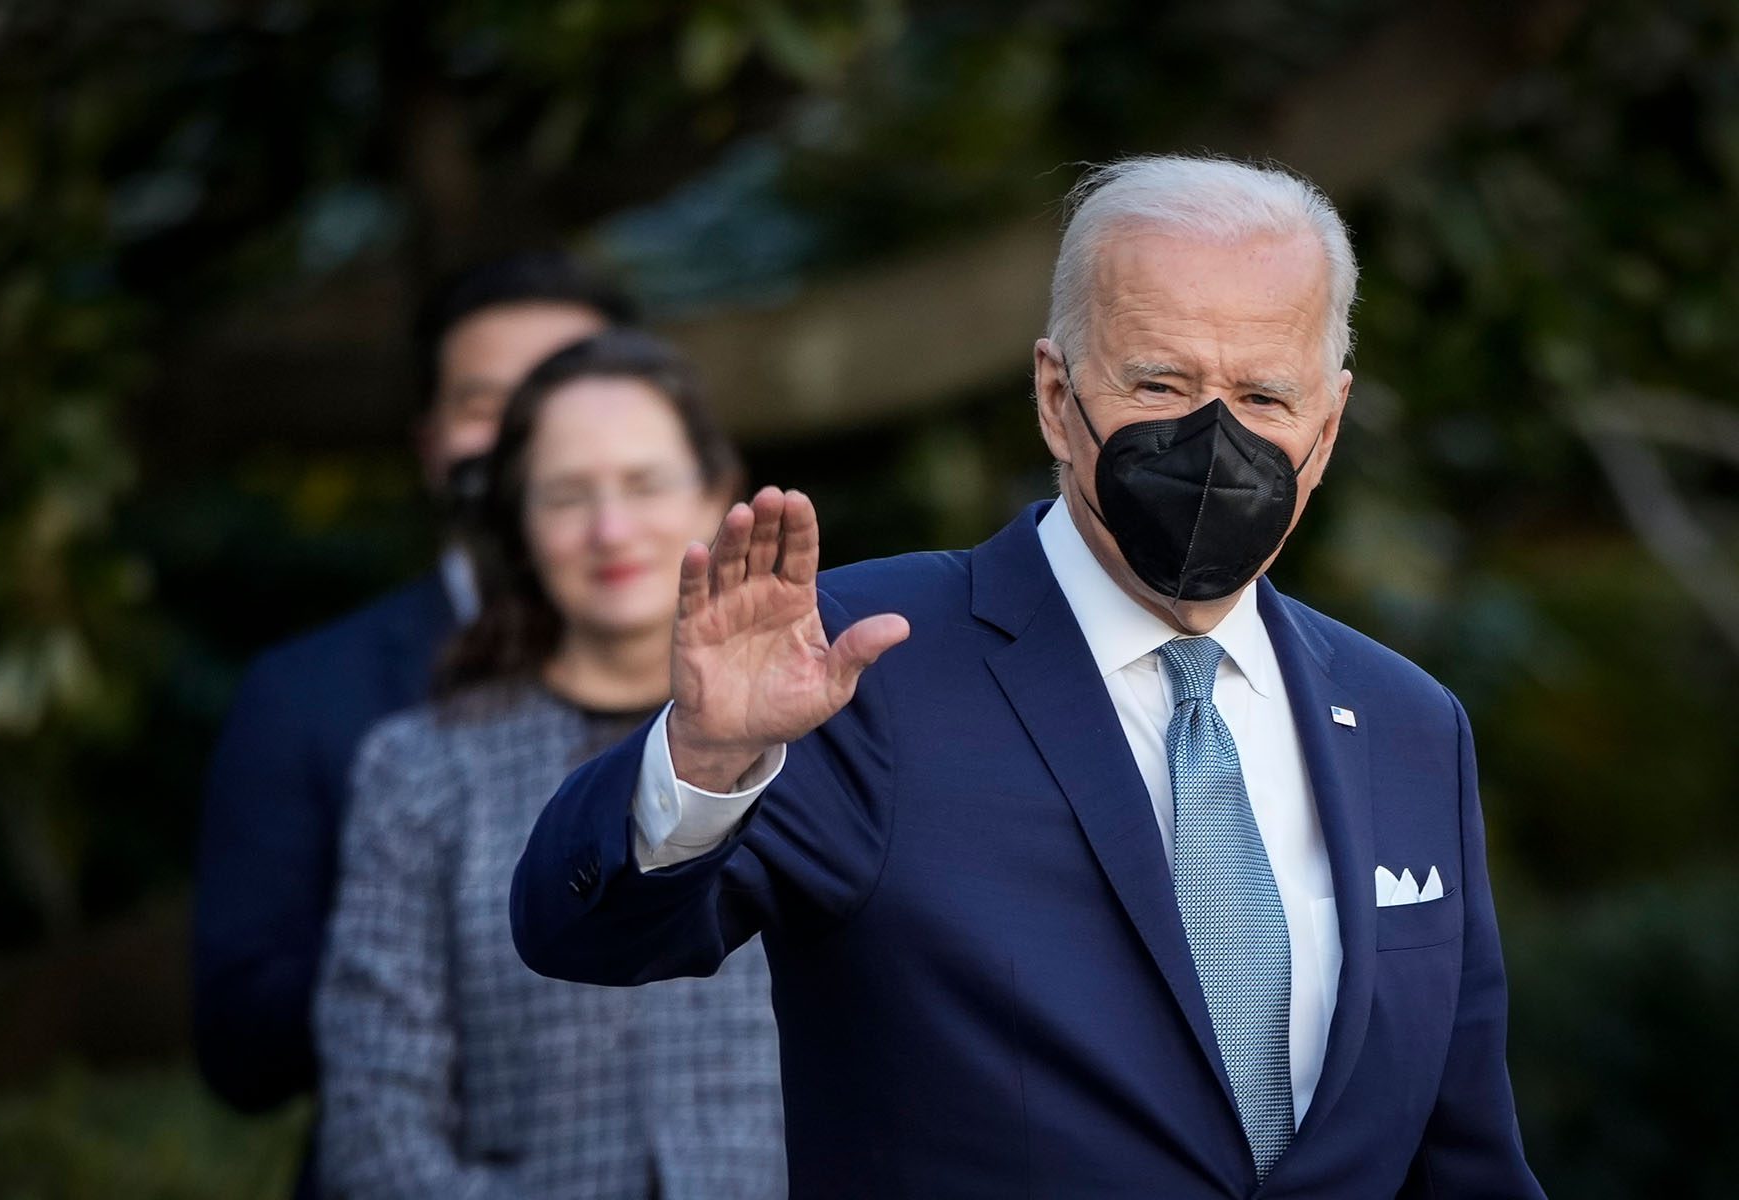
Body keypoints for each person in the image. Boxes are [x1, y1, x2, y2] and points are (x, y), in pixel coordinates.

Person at [511, 156, 1545, 1198]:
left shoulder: (1413, 723)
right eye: (1160, 383)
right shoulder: (861, 660)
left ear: (1327, 426)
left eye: (1265, 394)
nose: (1215, 436)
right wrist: (707, 757)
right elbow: (587, 935)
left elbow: (1464, 1160)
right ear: (1057, 397)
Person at [314, 329, 785, 1200]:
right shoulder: (420, 769)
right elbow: (377, 1115)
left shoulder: (822, 739)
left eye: (644, 484)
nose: (611, 530)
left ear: (717, 492)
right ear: (520, 523)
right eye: (567, 495)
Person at [193, 255, 629, 1192]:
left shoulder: (740, 682)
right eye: (487, 403)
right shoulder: (309, 694)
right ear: (431, 443)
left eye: (565, 390)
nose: (526, 433)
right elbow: (236, 1049)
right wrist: (424, 928)